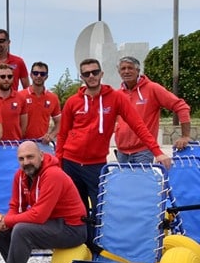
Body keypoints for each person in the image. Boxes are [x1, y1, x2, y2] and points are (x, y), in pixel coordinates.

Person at [58, 59, 172, 242]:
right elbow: (62, 134)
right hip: (71, 162)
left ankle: (98, 247)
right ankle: (81, 247)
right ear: (82, 77)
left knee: (100, 208)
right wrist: (59, 161)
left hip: (95, 165)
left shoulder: (116, 98)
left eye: (95, 72)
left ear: (101, 74)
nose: (91, 76)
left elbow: (138, 125)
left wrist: (157, 151)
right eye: (86, 74)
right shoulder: (73, 102)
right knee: (76, 210)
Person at [0, 141, 87, 263]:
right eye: (21, 159)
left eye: (30, 157)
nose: (26, 162)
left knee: (21, 230)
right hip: (51, 223)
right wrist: (2, 224)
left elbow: (39, 215)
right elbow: (15, 207)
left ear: (41, 156)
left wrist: (6, 220)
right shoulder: (20, 176)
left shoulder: (53, 174)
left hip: (72, 228)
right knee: (4, 231)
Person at [115, 56, 191, 163]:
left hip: (143, 152)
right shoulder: (118, 94)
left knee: (142, 180)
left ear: (138, 70)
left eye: (130, 68)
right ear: (119, 72)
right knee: (123, 180)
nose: (126, 71)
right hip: (121, 152)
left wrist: (185, 136)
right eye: (123, 69)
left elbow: (181, 106)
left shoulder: (152, 88)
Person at [18, 61, 61, 144]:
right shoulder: (20, 96)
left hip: (42, 143)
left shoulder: (53, 98)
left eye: (42, 74)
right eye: (35, 73)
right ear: (31, 75)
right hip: (21, 143)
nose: (38, 76)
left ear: (46, 77)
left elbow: (60, 122)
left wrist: (51, 136)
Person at [0, 63, 27, 140]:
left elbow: (24, 126)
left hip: (14, 145)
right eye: (3, 77)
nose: (6, 79)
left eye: (9, 76)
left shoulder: (21, 98)